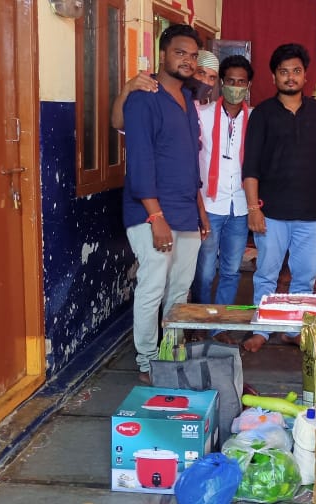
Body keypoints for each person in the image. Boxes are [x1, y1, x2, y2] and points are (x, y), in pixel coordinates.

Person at [121, 24, 210, 383]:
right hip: (151, 212)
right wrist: (155, 216)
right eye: (180, 53)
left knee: (179, 289)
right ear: (162, 54)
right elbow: (140, 160)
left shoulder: (187, 100)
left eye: (192, 56)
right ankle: (146, 361)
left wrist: (200, 210)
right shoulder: (144, 97)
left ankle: (169, 353)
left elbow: (190, 163)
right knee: (153, 286)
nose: (187, 61)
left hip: (186, 210)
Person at [241, 43, 316, 352]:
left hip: (311, 215)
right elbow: (251, 165)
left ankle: (295, 329)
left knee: (306, 279)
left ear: (305, 75)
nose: (290, 77)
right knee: (266, 275)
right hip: (271, 214)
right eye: (283, 72)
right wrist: (253, 209)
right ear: (274, 77)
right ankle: (262, 329)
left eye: (296, 71)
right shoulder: (262, 114)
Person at [192, 55, 254, 323]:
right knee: (205, 271)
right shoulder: (202, 116)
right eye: (230, 81)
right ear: (221, 83)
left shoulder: (255, 119)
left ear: (248, 85)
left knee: (230, 270)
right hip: (210, 205)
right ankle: (202, 321)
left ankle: (221, 326)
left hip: (240, 206)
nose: (236, 86)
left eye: (241, 82)